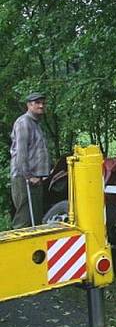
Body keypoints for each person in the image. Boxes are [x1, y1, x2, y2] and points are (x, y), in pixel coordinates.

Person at [9, 92, 51, 228]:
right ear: (29, 105)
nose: (41, 106)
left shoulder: (36, 124)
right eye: (37, 103)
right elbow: (21, 153)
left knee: (35, 222)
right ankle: (15, 249)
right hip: (24, 179)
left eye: (43, 103)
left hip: (35, 179)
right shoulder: (23, 123)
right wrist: (29, 176)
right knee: (24, 221)